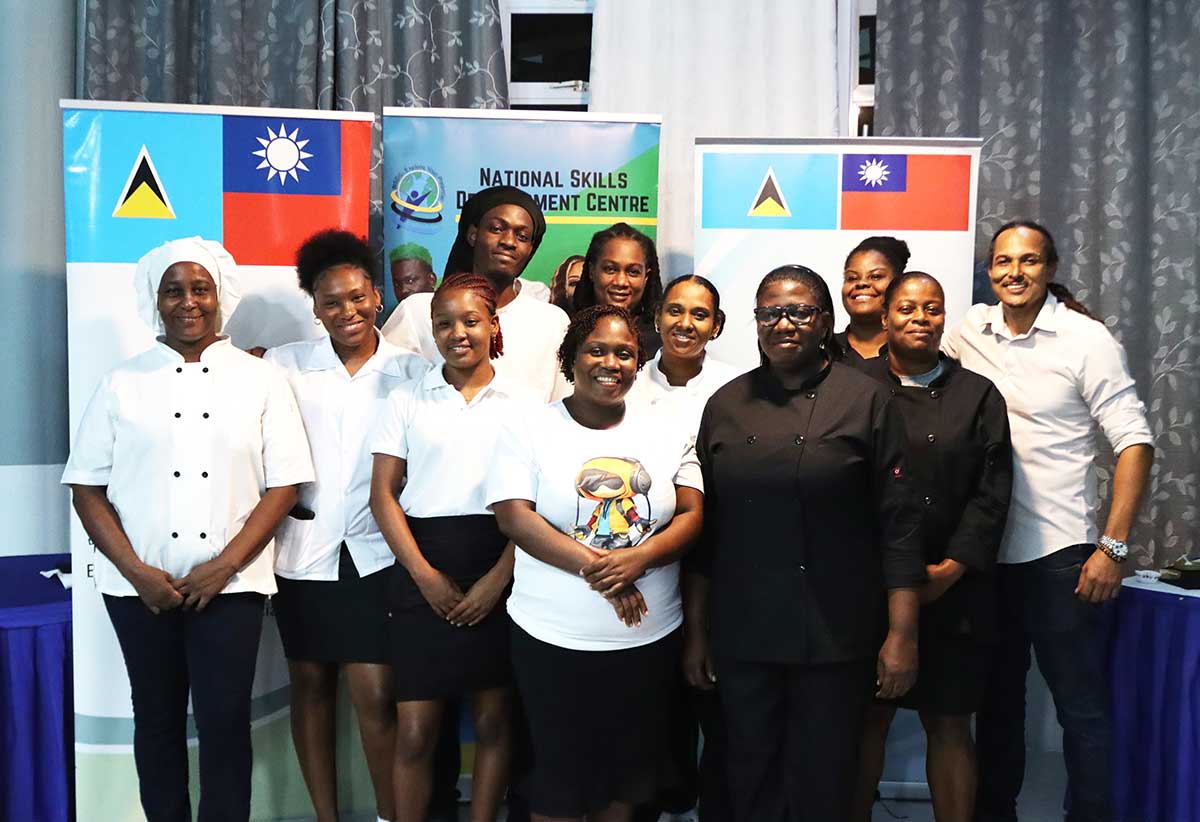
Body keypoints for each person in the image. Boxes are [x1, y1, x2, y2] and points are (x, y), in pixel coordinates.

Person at [62, 237, 314, 822]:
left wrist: (224, 567)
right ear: (156, 300)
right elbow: (86, 487)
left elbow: (284, 487)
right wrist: (138, 573)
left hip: (232, 587)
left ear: (220, 294)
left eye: (200, 288)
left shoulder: (260, 380)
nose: (188, 302)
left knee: (226, 721)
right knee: (155, 719)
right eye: (173, 290)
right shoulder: (121, 382)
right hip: (138, 590)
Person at [691, 264, 924, 822]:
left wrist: (902, 635)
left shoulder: (868, 401)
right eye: (770, 312)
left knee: (824, 778)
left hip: (836, 632)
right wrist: (697, 634)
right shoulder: (725, 405)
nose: (784, 323)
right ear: (755, 323)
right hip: (744, 631)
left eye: (799, 311)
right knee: (747, 772)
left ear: (826, 322)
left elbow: (900, 528)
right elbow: (705, 532)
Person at [943, 221, 1154, 822]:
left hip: (1062, 555)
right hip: (987, 556)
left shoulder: (1086, 340)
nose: (1014, 271)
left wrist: (1111, 548)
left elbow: (1135, 442)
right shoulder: (970, 331)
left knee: (1079, 710)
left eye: (1028, 261)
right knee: (998, 707)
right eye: (1003, 261)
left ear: (1051, 268)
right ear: (989, 269)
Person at [487, 305, 705, 822]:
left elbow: (694, 514)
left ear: (639, 361)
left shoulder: (668, 430)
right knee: (556, 786)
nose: (611, 362)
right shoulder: (529, 426)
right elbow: (515, 518)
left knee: (627, 786)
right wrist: (606, 570)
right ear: (571, 358)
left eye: (625, 353)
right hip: (550, 641)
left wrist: (642, 557)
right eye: (597, 350)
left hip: (646, 644)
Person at [264, 230, 428, 822]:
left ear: (376, 295)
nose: (347, 311)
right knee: (309, 689)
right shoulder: (286, 366)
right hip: (302, 552)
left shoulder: (412, 370)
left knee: (378, 696)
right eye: (331, 302)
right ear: (314, 306)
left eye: (357, 297)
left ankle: (390, 814)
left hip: (379, 554)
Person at [850, 271, 1013, 822]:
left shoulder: (977, 395)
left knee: (949, 723)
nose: (920, 317)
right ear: (885, 316)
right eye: (907, 308)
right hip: (868, 589)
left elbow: (993, 492)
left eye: (932, 308)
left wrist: (951, 569)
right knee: (866, 719)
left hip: (956, 590)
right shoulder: (853, 385)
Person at [370, 273, 528, 822]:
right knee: (415, 731)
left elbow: (537, 510)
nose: (457, 332)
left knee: (494, 722)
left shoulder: (524, 405)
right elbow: (384, 496)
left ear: (493, 325)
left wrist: (496, 580)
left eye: (470, 320)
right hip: (422, 565)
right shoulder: (406, 398)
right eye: (444, 323)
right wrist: (423, 574)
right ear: (431, 331)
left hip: (500, 561)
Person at [625, 274, 740, 822]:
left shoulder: (737, 387)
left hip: (719, 555)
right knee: (651, 706)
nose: (685, 324)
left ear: (716, 326)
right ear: (657, 318)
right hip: (642, 560)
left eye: (699, 315)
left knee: (715, 700)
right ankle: (660, 802)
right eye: (674, 311)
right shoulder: (626, 381)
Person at [381, 186, 569, 402]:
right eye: (497, 228)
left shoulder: (552, 322)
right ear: (473, 235)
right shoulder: (417, 312)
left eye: (522, 236)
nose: (509, 241)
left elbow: (562, 410)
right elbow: (386, 396)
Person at [571, 223, 665, 358]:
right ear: (592, 271)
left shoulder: (662, 345)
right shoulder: (565, 332)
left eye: (633, 272)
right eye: (610, 269)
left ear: (646, 277)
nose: (621, 281)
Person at [836, 236, 910, 366]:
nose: (861, 283)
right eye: (852, 278)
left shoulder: (914, 353)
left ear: (898, 285)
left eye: (875, 276)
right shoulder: (822, 351)